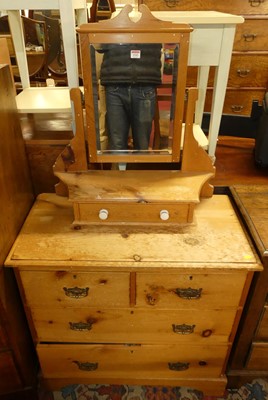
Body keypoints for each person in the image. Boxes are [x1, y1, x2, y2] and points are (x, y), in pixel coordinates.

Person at [99, 43, 162, 151]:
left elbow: (101, 45)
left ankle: (131, 167)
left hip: (120, 79)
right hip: (135, 79)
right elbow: (100, 45)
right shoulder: (155, 25)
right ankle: (129, 166)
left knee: (120, 143)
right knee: (134, 143)